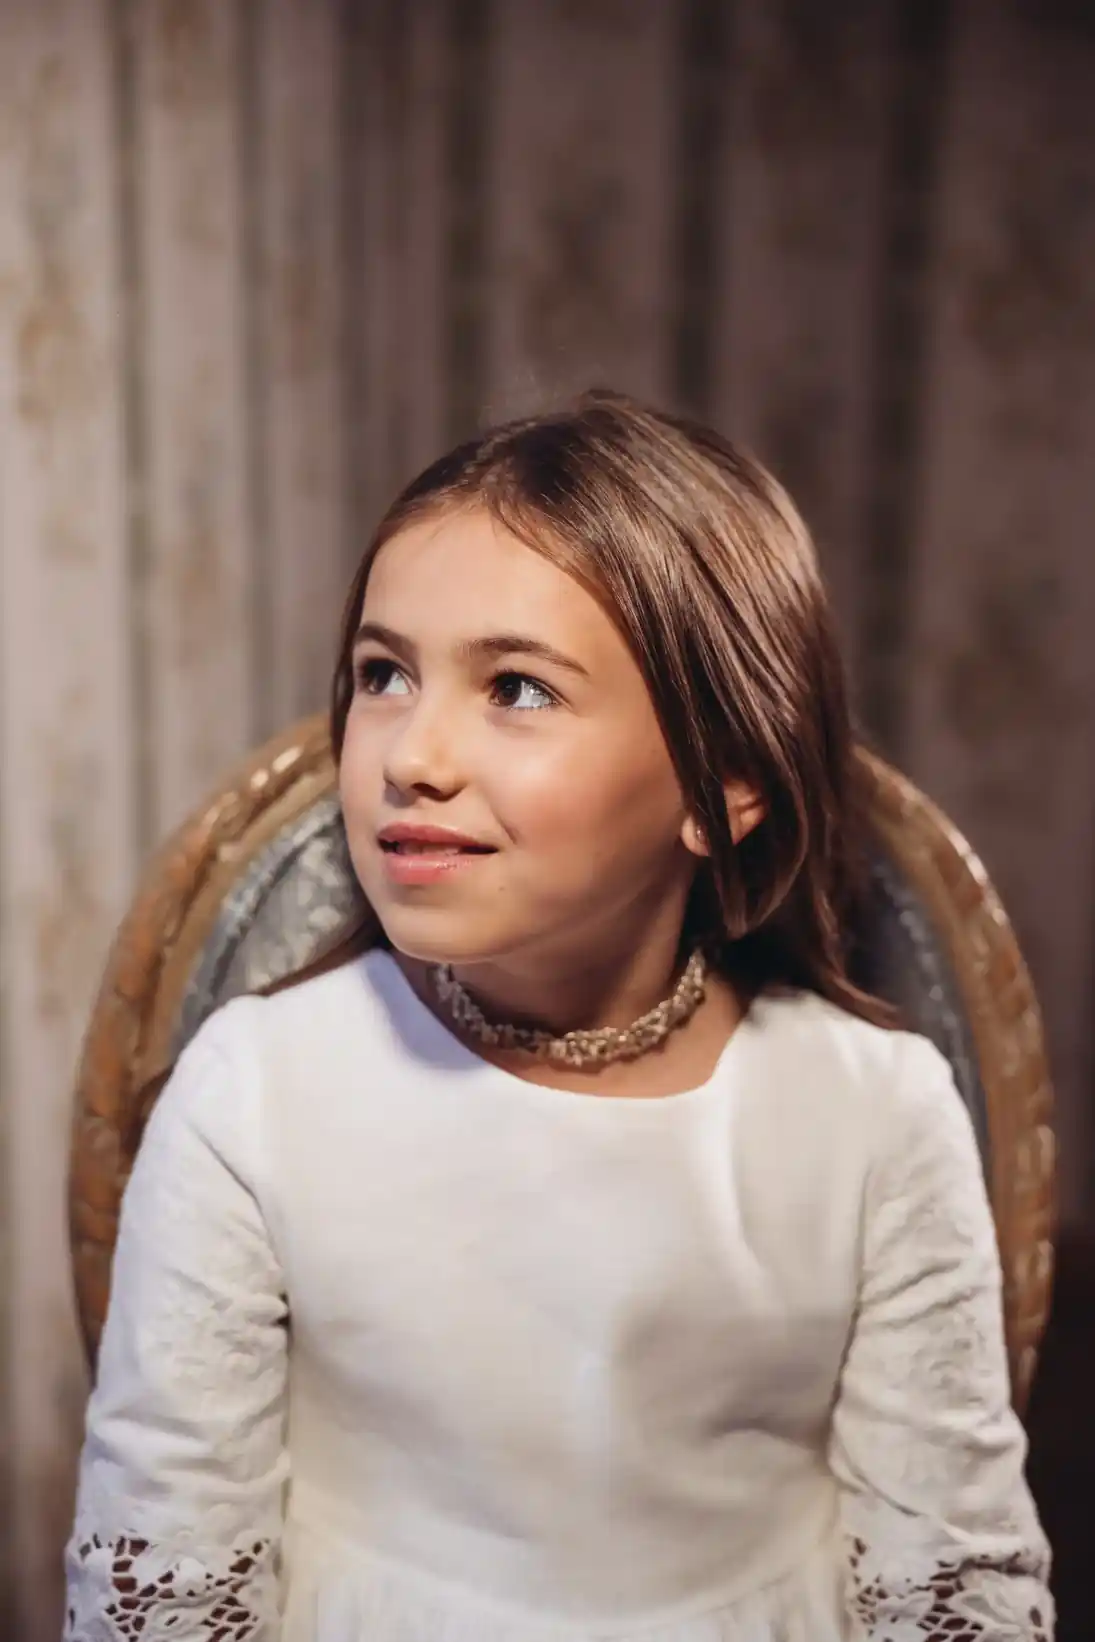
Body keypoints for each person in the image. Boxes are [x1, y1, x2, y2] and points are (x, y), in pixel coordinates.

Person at [64, 391, 1052, 1641]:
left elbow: (948, 1575)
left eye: (518, 688)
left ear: (726, 778)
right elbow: (168, 1577)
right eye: (383, 674)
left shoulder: (876, 1116)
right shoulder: (257, 1092)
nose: (412, 755)